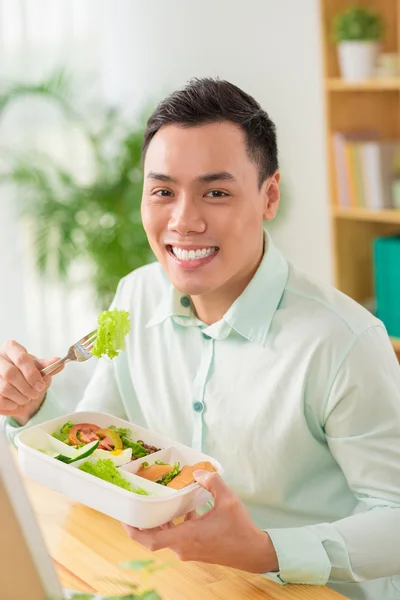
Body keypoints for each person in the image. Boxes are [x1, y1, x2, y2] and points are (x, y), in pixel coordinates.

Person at [1, 78, 400, 600]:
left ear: (269, 195)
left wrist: (265, 549)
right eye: (163, 191)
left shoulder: (343, 342)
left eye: (216, 192)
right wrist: (33, 408)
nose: (184, 221)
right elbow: (105, 442)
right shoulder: (135, 296)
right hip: (180, 582)